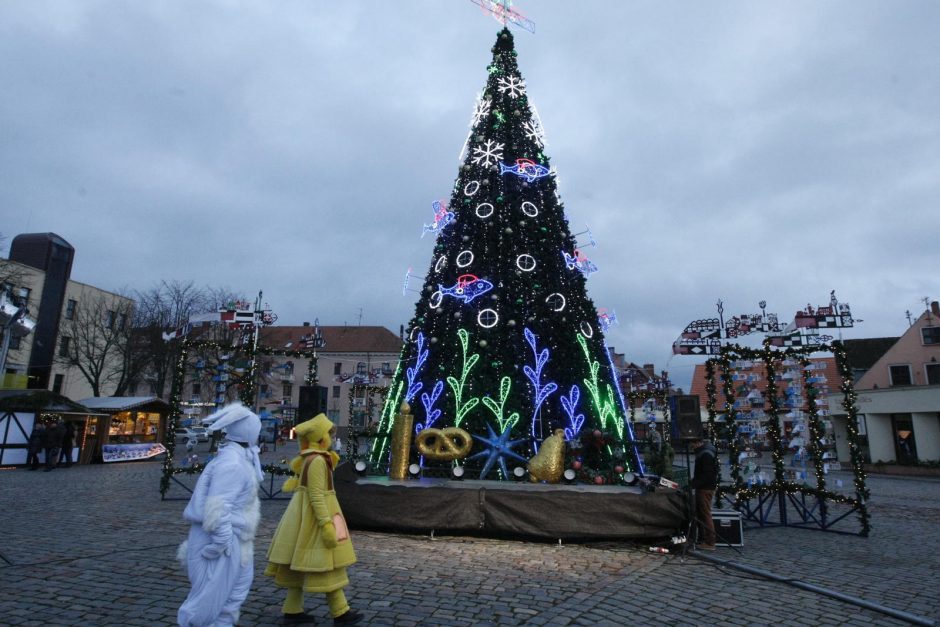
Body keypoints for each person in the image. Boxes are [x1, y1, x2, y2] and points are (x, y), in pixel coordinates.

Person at [265, 413, 362, 625]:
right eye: (329, 434)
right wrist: (326, 524)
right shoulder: (318, 460)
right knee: (326, 564)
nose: (332, 438)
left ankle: (292, 610)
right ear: (321, 438)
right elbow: (316, 495)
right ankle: (341, 612)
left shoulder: (311, 458)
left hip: (302, 517)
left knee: (298, 565)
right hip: (316, 518)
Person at [177, 402, 264, 627]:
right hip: (220, 540)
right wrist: (221, 543)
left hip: (237, 538)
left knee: (233, 593)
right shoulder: (232, 464)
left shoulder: (240, 458)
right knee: (207, 601)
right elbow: (218, 507)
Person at [690, 437, 719, 550]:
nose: (691, 447)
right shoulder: (705, 452)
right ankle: (703, 539)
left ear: (697, 443)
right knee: (702, 513)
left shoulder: (705, 454)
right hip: (704, 487)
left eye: (692, 444)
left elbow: (707, 475)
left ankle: (710, 542)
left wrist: (694, 484)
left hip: (705, 488)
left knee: (705, 513)